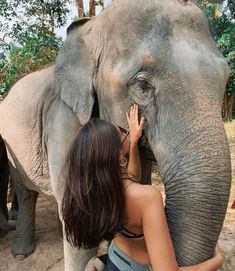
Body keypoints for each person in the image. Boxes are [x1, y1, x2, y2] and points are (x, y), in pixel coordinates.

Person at [62, 104, 223, 271]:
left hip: (115, 258)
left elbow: (132, 177)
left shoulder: (99, 189)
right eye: (122, 132)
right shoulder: (147, 198)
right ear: (117, 155)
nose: (125, 132)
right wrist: (217, 261)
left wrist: (132, 142)